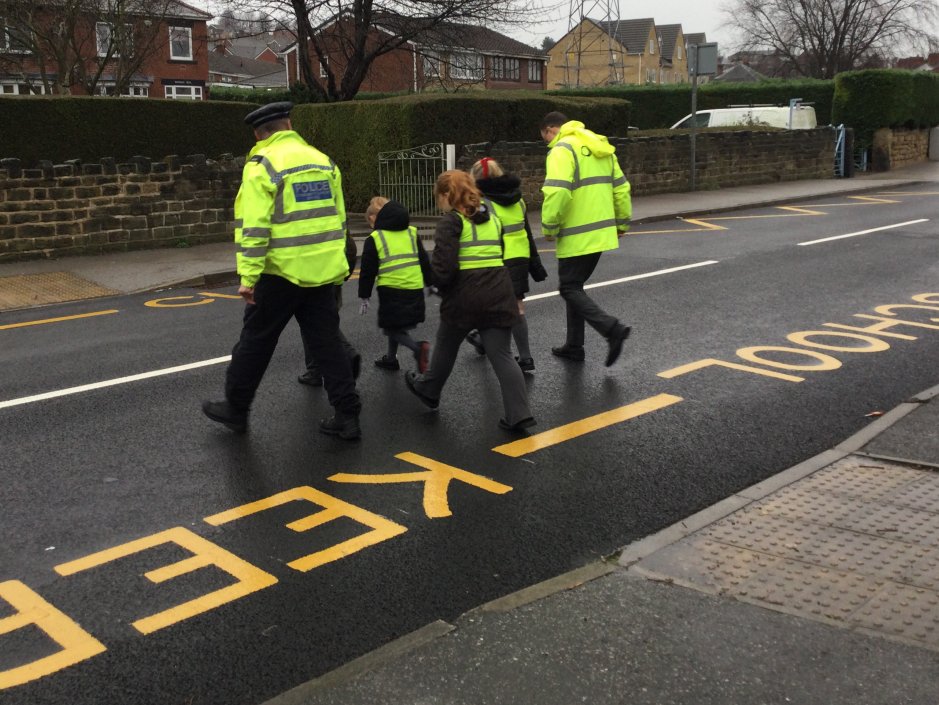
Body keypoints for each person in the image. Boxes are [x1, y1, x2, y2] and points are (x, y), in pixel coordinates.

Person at [202, 101, 362, 440]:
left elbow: (254, 228)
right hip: (322, 272)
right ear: (289, 126)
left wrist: (248, 277)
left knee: (255, 342)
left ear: (260, 135)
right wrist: (341, 264)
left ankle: (236, 408)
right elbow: (340, 220)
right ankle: (347, 415)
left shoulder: (262, 165)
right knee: (327, 344)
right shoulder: (324, 162)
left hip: (279, 275)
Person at [403, 170, 535, 432]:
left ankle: (429, 389)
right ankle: (519, 414)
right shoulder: (492, 218)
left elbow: (445, 266)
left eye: (439, 197)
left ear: (446, 195)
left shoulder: (451, 222)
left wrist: (435, 283)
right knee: (502, 354)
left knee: (446, 343)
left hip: (465, 295)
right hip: (499, 291)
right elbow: (500, 252)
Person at [540, 111, 632, 367]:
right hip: (601, 233)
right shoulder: (600, 146)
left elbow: (557, 192)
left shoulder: (561, 149)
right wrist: (623, 221)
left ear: (550, 130)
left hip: (576, 234)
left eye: (545, 137)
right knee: (575, 287)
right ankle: (574, 346)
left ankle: (611, 329)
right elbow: (622, 188)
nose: (547, 142)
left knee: (568, 288)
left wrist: (549, 226)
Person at [464, 157, 548, 373]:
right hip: (519, 258)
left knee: (487, 305)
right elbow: (527, 233)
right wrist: (535, 265)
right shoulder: (518, 200)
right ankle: (526, 357)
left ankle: (490, 345)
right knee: (517, 307)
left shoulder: (483, 204)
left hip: (497, 259)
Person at [357, 196, 432, 373]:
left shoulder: (375, 238)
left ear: (376, 217)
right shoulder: (411, 232)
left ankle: (417, 349)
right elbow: (424, 260)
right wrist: (431, 282)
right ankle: (391, 358)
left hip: (392, 291)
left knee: (391, 328)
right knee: (395, 324)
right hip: (414, 289)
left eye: (370, 221)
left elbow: (368, 271)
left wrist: (364, 295)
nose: (371, 226)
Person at [297, 232, 361, 387]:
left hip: (313, 280)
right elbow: (351, 249)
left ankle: (341, 357)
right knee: (319, 322)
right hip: (333, 281)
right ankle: (316, 370)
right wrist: (343, 275)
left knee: (314, 323)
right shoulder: (332, 217)